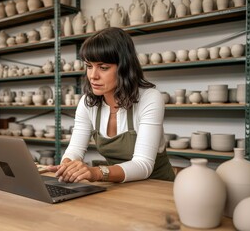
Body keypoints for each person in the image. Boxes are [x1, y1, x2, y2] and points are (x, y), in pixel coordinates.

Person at [48, 27, 175, 183]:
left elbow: (143, 165)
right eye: (89, 66)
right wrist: (67, 166)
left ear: (124, 68)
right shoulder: (88, 103)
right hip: (119, 188)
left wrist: (96, 173)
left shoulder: (150, 98)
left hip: (158, 188)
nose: (93, 76)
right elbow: (74, 150)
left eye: (103, 67)